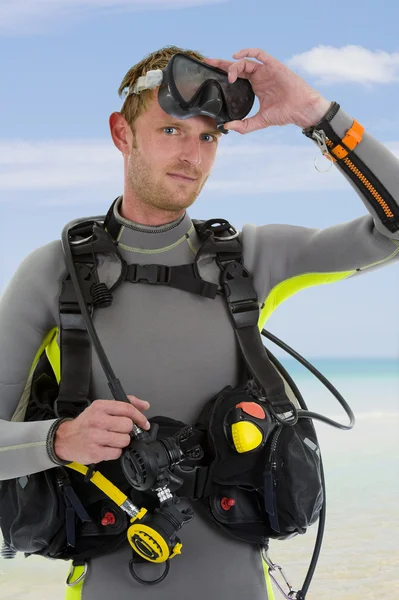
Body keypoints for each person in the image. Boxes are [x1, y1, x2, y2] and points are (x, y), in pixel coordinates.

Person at [0, 44, 398, 600]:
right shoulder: (53, 274)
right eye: (171, 131)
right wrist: (58, 440)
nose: (192, 154)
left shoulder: (253, 261)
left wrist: (315, 114)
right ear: (122, 133)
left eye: (209, 137)